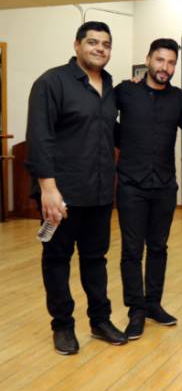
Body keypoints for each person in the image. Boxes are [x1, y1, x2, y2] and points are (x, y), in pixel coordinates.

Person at [26, 21, 127, 354]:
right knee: (57, 260)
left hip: (99, 193)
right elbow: (39, 138)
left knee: (96, 259)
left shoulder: (109, 85)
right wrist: (48, 189)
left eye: (106, 44)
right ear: (77, 45)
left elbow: (108, 132)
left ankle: (100, 321)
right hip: (62, 194)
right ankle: (62, 326)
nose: (100, 48)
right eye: (93, 42)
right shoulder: (52, 82)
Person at [115, 38, 182, 340]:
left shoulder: (178, 98)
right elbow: (102, 119)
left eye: (171, 62)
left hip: (164, 186)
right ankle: (136, 311)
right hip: (131, 185)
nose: (165, 67)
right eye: (160, 60)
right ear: (147, 59)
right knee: (132, 251)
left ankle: (153, 304)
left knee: (158, 247)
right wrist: (123, 141)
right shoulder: (125, 91)